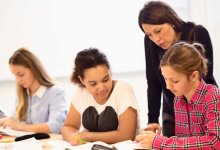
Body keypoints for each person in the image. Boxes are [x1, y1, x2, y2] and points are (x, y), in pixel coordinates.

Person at [138, 1, 218, 137]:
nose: (155, 39)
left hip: (202, 108)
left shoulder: (197, 32)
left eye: (158, 31)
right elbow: (153, 83)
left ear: (171, 21)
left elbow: (205, 75)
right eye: (149, 34)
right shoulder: (150, 43)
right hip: (173, 109)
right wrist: (152, 119)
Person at [136, 42, 220, 149]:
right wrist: (151, 140)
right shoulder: (178, 100)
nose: (168, 86)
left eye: (174, 81)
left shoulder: (213, 97)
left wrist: (160, 142)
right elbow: (182, 144)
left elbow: (215, 142)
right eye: (165, 79)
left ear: (194, 75)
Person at [62, 48, 138, 145]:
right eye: (93, 84)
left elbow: (127, 136)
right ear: (82, 80)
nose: (101, 88)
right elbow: (68, 127)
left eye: (106, 80)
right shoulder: (81, 92)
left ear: (110, 72)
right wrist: (73, 137)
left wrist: (87, 136)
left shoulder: (123, 88)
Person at [0, 48, 67, 134]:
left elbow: (55, 127)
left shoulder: (56, 92)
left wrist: (19, 126)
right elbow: (14, 119)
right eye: (15, 76)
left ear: (34, 69)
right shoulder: (22, 94)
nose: (18, 80)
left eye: (21, 75)